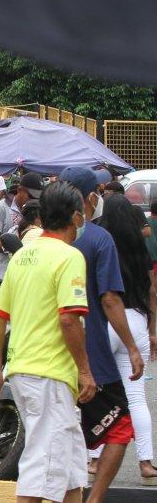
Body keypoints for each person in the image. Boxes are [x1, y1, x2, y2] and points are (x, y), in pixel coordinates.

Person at [0, 181, 94, 503]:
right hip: (50, 375)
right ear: (76, 218)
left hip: (24, 370)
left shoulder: (23, 255)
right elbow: (68, 319)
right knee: (41, 465)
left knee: (71, 466)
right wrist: (85, 371)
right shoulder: (69, 256)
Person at [58, 166, 144, 502]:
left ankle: (69, 495)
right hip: (91, 352)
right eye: (98, 189)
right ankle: (91, 500)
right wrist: (133, 348)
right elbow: (110, 300)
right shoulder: (98, 239)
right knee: (120, 427)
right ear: (87, 196)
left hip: (46, 355)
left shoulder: (40, 241)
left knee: (61, 434)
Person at [89, 194, 157, 482]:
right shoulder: (141, 248)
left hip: (108, 322)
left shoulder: (101, 244)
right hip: (138, 322)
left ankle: (93, 460)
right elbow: (152, 292)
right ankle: (146, 463)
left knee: (98, 395)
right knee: (137, 399)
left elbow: (104, 294)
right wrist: (153, 331)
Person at [0, 172, 43, 277]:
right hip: (6, 273)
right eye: (31, 196)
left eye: (38, 197)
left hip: (33, 274)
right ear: (20, 190)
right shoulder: (0, 207)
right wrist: (20, 249)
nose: (35, 200)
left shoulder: (41, 209)